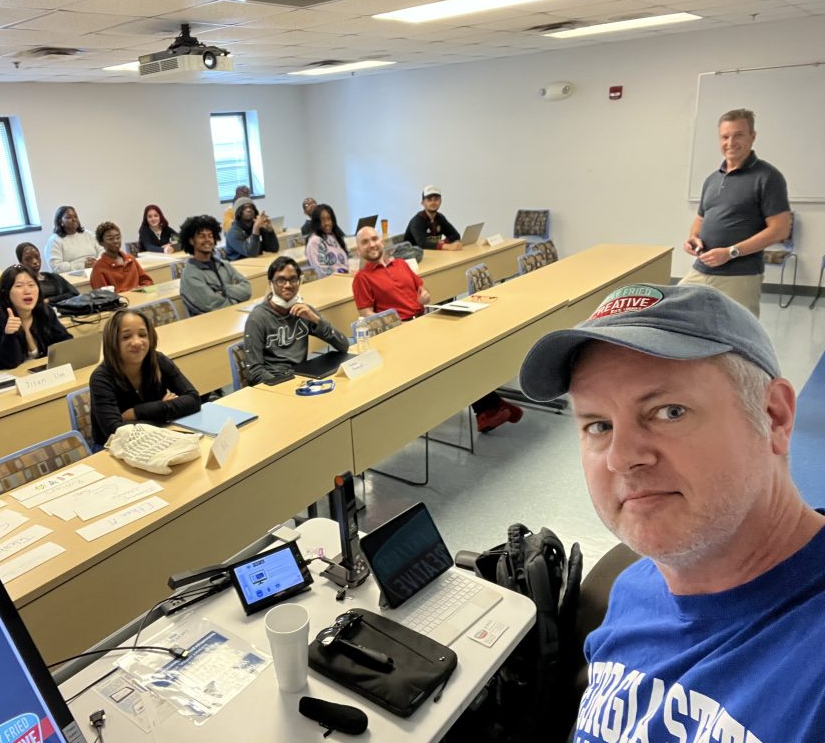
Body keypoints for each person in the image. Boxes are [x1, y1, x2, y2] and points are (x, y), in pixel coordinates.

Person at [518, 283, 825, 742]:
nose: (621, 458)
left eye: (669, 412)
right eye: (599, 425)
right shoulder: (632, 587)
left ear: (774, 417)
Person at [353, 226, 521, 431]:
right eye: (365, 242)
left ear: (381, 241)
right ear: (358, 250)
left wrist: (424, 296)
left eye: (374, 239)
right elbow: (367, 315)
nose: (371, 244)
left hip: (424, 320)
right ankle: (488, 408)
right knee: (451, 355)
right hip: (401, 334)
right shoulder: (362, 278)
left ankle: (490, 406)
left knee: (466, 345)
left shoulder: (400, 265)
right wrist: (394, 323)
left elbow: (423, 290)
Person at [681, 109, 792, 318]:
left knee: (738, 333)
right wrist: (693, 238)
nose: (731, 142)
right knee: (677, 316)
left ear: (752, 137)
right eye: (725, 136)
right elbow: (701, 218)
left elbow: (780, 230)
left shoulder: (768, 177)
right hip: (702, 268)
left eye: (739, 135)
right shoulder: (712, 179)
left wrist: (731, 252)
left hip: (740, 275)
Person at [89, 308, 201, 448]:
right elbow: (116, 432)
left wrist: (137, 413)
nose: (137, 342)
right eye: (126, 337)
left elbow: (194, 399)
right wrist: (164, 411)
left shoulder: (158, 360)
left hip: (158, 437)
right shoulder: (101, 378)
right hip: (111, 449)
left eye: (142, 335)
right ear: (112, 341)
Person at [243, 256, 349, 385]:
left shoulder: (304, 311)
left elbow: (343, 345)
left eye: (293, 279)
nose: (287, 285)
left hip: (301, 377)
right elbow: (254, 371)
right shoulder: (258, 318)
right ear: (271, 283)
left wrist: (316, 320)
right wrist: (285, 385)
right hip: (275, 383)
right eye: (281, 280)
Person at [0, 265, 72, 372]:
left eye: (31, 285)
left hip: (43, 378)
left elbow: (67, 344)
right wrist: (9, 335)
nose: (27, 291)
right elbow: (10, 363)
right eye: (19, 286)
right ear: (5, 293)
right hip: (11, 382)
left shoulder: (45, 313)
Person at [178, 214, 252, 315]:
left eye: (210, 236)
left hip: (233, 319)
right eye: (201, 236)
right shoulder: (190, 275)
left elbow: (247, 290)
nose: (207, 240)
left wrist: (223, 290)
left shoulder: (225, 265)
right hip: (208, 325)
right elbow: (213, 305)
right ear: (191, 241)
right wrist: (236, 297)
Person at [89, 221, 155, 292]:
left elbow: (147, 281)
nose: (116, 241)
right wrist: (128, 293)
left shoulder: (130, 259)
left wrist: (139, 289)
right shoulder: (99, 267)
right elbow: (103, 297)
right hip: (121, 302)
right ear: (101, 243)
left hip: (140, 299)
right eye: (110, 239)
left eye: (118, 237)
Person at [44, 205, 103, 273]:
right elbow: (56, 266)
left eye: (75, 216)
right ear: (60, 221)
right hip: (72, 275)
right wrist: (82, 265)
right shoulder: (54, 240)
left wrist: (97, 261)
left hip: (95, 269)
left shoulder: (88, 234)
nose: (74, 219)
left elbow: (102, 250)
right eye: (68, 217)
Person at [404, 185, 463, 251]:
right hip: (413, 258)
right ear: (423, 203)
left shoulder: (440, 217)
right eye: (429, 200)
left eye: (436, 199)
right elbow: (422, 244)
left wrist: (443, 243)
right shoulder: (417, 221)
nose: (433, 202)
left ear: (440, 201)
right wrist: (448, 246)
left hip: (433, 255)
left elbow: (455, 235)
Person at [225, 196, 280, 261]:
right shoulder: (233, 232)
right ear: (238, 212)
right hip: (238, 266)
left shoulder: (256, 225)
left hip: (256, 262)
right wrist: (256, 228)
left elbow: (273, 249)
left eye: (251, 207)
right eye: (244, 208)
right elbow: (251, 253)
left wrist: (269, 230)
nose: (249, 210)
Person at [305, 203, 350, 276]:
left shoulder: (334, 236)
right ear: (317, 222)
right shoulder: (315, 241)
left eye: (329, 219)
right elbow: (322, 271)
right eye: (322, 220)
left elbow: (347, 261)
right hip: (332, 283)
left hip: (345, 278)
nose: (327, 223)